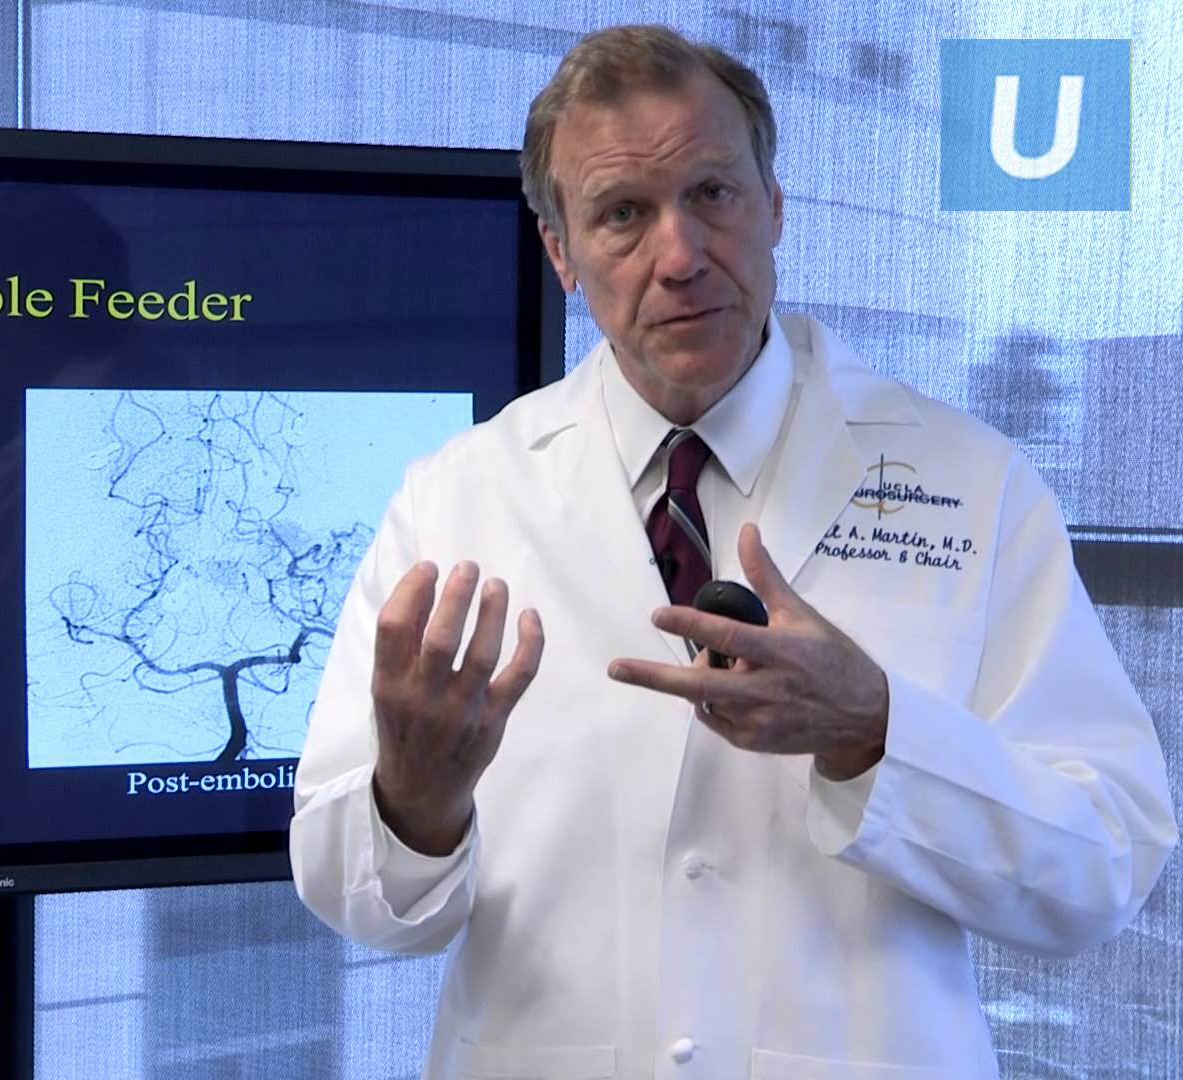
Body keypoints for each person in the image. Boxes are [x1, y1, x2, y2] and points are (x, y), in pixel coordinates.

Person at [290, 23, 1177, 1080]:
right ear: (561, 253)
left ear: (775, 208)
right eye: (623, 214)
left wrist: (876, 732)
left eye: (712, 193)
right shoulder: (457, 498)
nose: (680, 256)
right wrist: (415, 800)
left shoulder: (974, 484)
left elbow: (1104, 866)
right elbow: (349, 893)